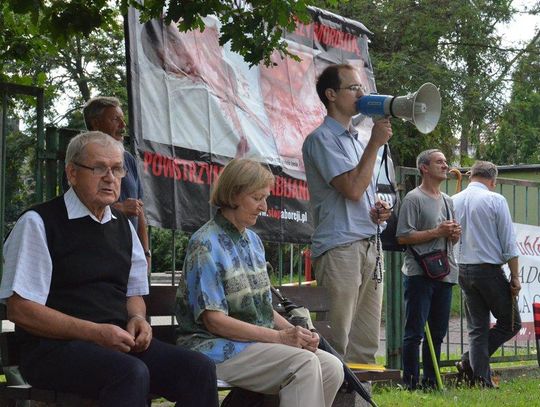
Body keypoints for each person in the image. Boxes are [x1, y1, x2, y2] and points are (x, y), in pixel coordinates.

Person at [0, 131, 218, 407]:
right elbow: (21, 309)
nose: (110, 177)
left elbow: (133, 295)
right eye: (99, 168)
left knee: (198, 369)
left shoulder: (123, 226)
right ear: (72, 173)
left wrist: (138, 319)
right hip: (53, 349)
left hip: (115, 343)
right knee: (129, 372)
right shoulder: (39, 223)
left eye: (117, 169)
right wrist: (95, 332)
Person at [175, 158, 344, 407]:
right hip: (213, 348)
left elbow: (263, 306)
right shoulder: (205, 243)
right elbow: (214, 320)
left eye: (265, 198)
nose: (264, 207)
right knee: (303, 364)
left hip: (253, 344)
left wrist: (299, 334)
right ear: (233, 195)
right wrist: (279, 338)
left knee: (332, 366)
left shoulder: (253, 241)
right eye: (257, 198)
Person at [301, 63, 393, 364]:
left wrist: (378, 210)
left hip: (369, 244)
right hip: (341, 249)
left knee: (365, 344)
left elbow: (360, 195)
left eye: (360, 88)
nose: (361, 94)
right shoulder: (320, 140)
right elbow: (351, 188)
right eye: (353, 88)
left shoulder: (357, 140)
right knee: (336, 341)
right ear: (331, 94)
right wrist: (375, 144)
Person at [396, 149, 461, 390]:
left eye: (445, 162)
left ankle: (431, 382)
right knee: (414, 331)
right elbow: (402, 236)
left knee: (437, 333)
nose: (445, 166)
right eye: (439, 162)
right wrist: (438, 232)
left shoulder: (448, 200)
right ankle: (411, 382)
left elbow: (449, 239)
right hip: (419, 274)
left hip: (445, 272)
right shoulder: (413, 198)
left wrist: (454, 235)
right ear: (424, 167)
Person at [452, 160, 521, 387]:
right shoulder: (495, 199)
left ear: (471, 176)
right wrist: (515, 276)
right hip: (487, 270)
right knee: (511, 323)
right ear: (493, 180)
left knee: (477, 328)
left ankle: (480, 379)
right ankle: (469, 362)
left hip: (462, 268)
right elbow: (509, 243)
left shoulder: (454, 200)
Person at [81, 96, 151, 263]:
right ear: (96, 123)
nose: (123, 125)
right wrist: (118, 209)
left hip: (128, 256)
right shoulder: (80, 161)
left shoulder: (128, 159)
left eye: (123, 120)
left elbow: (138, 209)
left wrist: (145, 253)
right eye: (115, 119)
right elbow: (78, 210)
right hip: (95, 254)